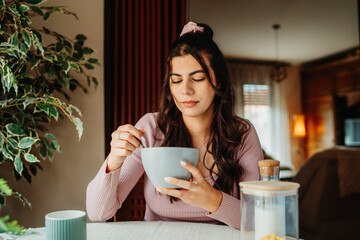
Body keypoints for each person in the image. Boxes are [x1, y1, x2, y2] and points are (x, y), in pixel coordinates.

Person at [86, 21, 263, 230]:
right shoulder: (151, 128)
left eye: (197, 78)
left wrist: (214, 200)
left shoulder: (242, 133)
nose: (185, 90)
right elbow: (98, 213)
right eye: (176, 80)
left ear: (220, 82)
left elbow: (256, 220)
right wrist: (113, 160)